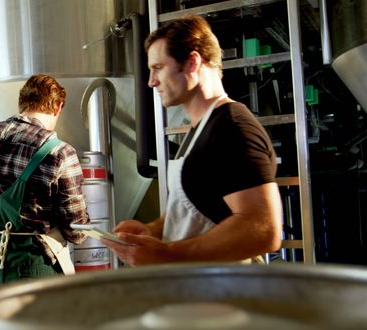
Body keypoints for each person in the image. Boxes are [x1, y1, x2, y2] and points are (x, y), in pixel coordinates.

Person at [103, 15, 283, 265]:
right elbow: (198, 208)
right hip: (198, 289)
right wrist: (153, 231)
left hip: (224, 293)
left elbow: (263, 229)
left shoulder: (231, 128)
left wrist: (167, 255)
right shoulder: (199, 130)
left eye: (158, 68)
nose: (151, 81)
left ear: (191, 63)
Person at [0, 74, 89, 289]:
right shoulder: (60, 153)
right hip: (37, 270)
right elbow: (76, 231)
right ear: (58, 107)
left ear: (22, 103)